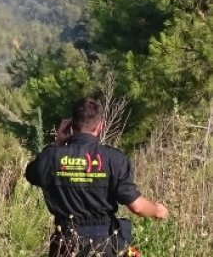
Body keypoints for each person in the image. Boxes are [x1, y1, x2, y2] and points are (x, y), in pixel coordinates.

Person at [25, 98, 168, 257]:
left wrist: (57, 143)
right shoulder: (114, 159)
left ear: (70, 125)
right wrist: (157, 210)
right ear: (100, 126)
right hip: (103, 245)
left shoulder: (51, 157)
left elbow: (32, 175)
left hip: (65, 244)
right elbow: (138, 207)